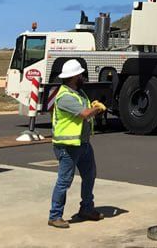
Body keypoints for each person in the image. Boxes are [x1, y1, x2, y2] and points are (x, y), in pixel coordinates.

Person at [48, 60, 104, 229]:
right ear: (73, 77)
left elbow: (86, 110)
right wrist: (97, 108)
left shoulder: (79, 93)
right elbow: (85, 113)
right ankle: (55, 215)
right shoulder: (65, 96)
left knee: (89, 175)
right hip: (68, 146)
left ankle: (86, 208)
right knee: (64, 181)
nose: (82, 77)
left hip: (82, 143)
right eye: (80, 74)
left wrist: (93, 107)